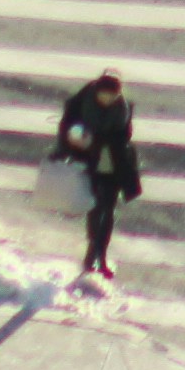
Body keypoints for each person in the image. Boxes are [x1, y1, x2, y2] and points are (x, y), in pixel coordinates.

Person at [53, 71, 143, 283]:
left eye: (112, 97)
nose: (108, 100)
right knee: (95, 207)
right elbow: (66, 129)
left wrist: (111, 139)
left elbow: (125, 135)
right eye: (105, 96)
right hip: (89, 159)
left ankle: (100, 255)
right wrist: (66, 149)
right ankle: (92, 249)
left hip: (113, 162)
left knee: (108, 209)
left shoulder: (123, 108)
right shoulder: (81, 103)